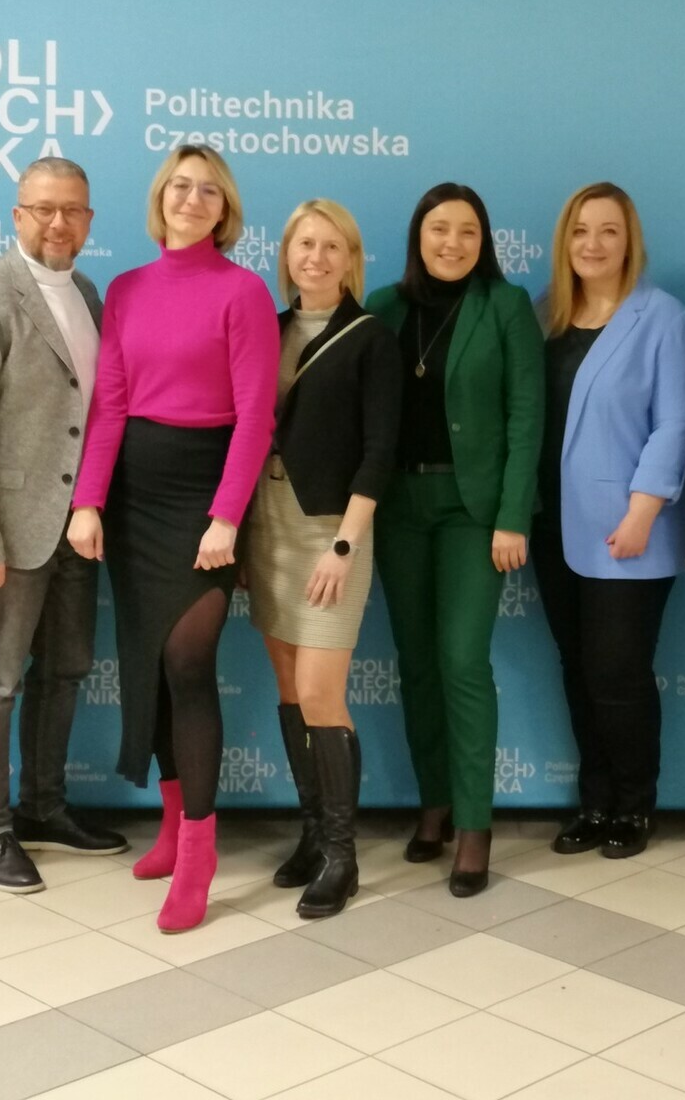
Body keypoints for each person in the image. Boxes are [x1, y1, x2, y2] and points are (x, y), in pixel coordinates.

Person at [65, 144, 277, 932]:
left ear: (226, 209)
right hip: (133, 499)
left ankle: (199, 853)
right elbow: (111, 405)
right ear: (161, 198)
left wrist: (227, 517)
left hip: (204, 497)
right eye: (180, 187)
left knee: (188, 663)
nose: (192, 199)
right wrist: (88, 502)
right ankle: (170, 821)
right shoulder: (126, 289)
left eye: (209, 191)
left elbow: (255, 417)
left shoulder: (244, 291)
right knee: (150, 662)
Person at [0, 158, 129, 894]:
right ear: (17, 216)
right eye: (43, 208)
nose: (58, 223)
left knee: (67, 668)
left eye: (72, 210)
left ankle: (45, 807)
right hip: (6, 533)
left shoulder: (89, 294)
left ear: (89, 221)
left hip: (78, 526)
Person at [369, 183, 543, 896]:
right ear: (418, 235)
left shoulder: (505, 306)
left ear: (484, 241)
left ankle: (475, 825)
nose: (453, 242)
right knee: (415, 664)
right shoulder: (384, 307)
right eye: (439, 228)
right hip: (397, 508)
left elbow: (527, 415)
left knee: (462, 660)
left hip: (475, 510)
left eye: (468, 231)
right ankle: (434, 803)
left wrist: (513, 516)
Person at [531, 183, 685, 860]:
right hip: (552, 526)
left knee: (618, 672)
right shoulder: (545, 315)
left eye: (608, 231)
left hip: (628, 529)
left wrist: (643, 509)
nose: (593, 244)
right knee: (577, 668)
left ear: (630, 242)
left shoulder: (664, 318)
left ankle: (633, 806)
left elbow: (676, 421)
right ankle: (594, 803)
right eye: (580, 231)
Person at [244, 199, 401, 919]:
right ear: (286, 255)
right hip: (267, 524)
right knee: (287, 685)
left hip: (332, 530)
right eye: (304, 244)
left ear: (351, 259)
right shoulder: (267, 329)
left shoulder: (371, 338)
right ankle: (313, 834)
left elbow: (379, 451)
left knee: (319, 692)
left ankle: (343, 855)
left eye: (331, 246)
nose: (316, 257)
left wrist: (345, 544)